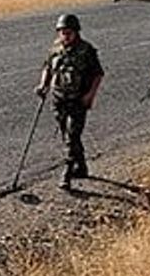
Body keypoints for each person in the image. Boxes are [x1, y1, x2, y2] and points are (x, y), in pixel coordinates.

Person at [35, 13, 104, 190]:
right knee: (68, 136)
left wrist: (90, 96)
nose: (65, 36)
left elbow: (98, 74)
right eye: (62, 32)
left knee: (72, 137)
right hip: (58, 99)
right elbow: (48, 68)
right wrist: (43, 85)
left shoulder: (86, 50)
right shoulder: (55, 49)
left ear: (76, 32)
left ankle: (67, 173)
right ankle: (81, 167)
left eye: (68, 32)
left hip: (77, 101)